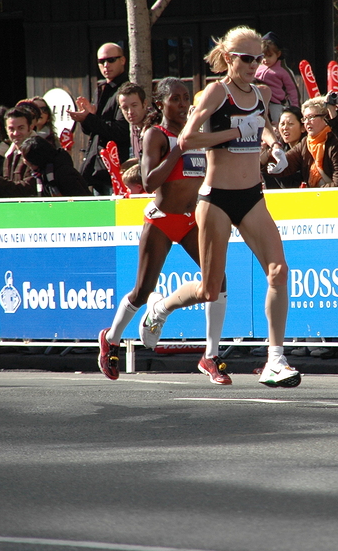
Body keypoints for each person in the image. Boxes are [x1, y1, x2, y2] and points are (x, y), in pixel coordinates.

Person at [139, 26, 301, 388]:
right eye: (246, 58)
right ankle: (161, 307)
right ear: (228, 58)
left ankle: (275, 360)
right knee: (210, 290)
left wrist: (274, 145)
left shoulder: (262, 92)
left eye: (259, 58)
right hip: (216, 200)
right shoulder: (216, 92)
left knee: (279, 271)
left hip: (252, 196)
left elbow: (263, 125)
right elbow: (187, 139)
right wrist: (231, 134)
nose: (254, 65)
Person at [98, 77, 230, 383]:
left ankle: (210, 356)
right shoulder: (156, 135)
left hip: (191, 220)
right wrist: (178, 148)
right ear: (160, 104)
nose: (183, 104)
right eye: (175, 99)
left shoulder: (198, 133)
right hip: (161, 220)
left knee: (218, 280)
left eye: (186, 98)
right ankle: (111, 338)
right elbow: (149, 182)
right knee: (142, 291)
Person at [69, 42, 131, 194]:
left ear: (122, 60)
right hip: (98, 168)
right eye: (101, 62)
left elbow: (121, 130)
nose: (106, 65)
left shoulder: (126, 90)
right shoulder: (102, 89)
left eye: (111, 60)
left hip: (118, 169)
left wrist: (89, 118)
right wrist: (86, 118)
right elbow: (93, 131)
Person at [271, 97, 338, 188]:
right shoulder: (305, 143)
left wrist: (312, 191)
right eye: (305, 118)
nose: (307, 122)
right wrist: (267, 157)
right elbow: (285, 165)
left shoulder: (336, 142)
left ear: (325, 118)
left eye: (311, 117)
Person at [0, 107, 39, 197]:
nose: (16, 133)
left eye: (21, 128)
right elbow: (7, 191)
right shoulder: (9, 154)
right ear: (6, 130)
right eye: (11, 129)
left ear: (31, 127)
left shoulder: (38, 150)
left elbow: (30, 189)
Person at [256, 31, 299, 125]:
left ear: (278, 54)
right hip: (258, 101)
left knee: (277, 121)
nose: (265, 60)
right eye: (263, 56)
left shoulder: (283, 71)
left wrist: (295, 108)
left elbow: (292, 89)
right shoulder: (257, 68)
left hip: (275, 103)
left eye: (269, 56)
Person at [261, 106, 305, 188]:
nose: (285, 128)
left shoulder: (306, 150)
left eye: (290, 124)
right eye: (282, 124)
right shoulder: (277, 150)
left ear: (303, 127)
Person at [116, 82, 148, 170]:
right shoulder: (133, 125)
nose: (130, 112)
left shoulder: (155, 125)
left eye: (134, 105)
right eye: (125, 108)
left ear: (144, 104)